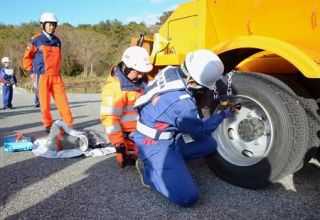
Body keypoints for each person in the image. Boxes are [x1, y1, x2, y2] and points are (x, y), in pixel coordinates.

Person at [134, 49, 235, 207]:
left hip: (168, 136)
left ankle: (173, 165)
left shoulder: (170, 71)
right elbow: (200, 131)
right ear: (192, 80)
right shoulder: (181, 103)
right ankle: (151, 172)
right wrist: (222, 115)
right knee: (187, 197)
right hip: (152, 144)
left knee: (210, 145)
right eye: (202, 86)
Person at [100, 46, 152, 168]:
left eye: (143, 72)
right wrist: (120, 148)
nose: (140, 76)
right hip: (131, 137)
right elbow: (110, 120)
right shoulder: (114, 89)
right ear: (126, 67)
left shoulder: (143, 81)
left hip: (144, 130)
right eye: (138, 72)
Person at [23, 12, 73, 132]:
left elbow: (58, 58)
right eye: (49, 24)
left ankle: (68, 124)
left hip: (56, 76)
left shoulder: (57, 41)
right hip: (42, 76)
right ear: (43, 25)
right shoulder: (36, 40)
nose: (51, 27)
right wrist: (31, 71)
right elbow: (27, 58)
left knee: (63, 102)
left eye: (53, 25)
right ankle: (48, 124)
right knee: (44, 105)